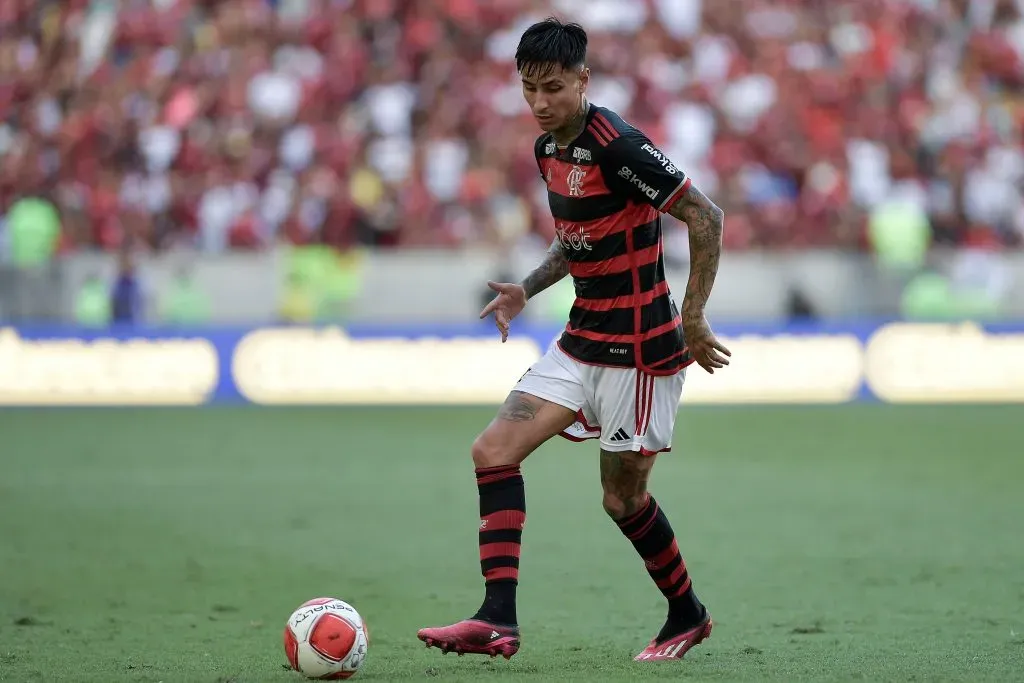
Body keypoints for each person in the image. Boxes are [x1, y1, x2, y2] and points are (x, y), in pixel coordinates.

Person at [417, 18, 731, 663]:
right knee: (492, 451)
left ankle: (687, 614)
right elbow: (577, 237)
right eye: (529, 88)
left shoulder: (619, 145)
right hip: (582, 336)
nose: (539, 103)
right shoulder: (548, 150)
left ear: (584, 79)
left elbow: (705, 214)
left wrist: (692, 318)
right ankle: (496, 619)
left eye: (553, 88)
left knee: (622, 499)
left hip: (642, 348)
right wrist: (527, 289)